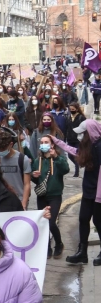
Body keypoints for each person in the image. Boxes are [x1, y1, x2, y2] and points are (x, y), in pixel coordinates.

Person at [52, 122, 101, 265]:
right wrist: (58, 142)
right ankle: (82, 253)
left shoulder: (99, 147)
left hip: (98, 193)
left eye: (82, 133)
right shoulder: (89, 145)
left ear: (91, 132)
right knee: (83, 219)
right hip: (88, 190)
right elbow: (76, 152)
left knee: (98, 221)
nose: (80, 136)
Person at [31, 136, 70, 258]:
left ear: (52, 145)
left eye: (46, 142)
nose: (43, 145)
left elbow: (65, 170)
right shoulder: (38, 161)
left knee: (51, 222)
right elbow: (35, 180)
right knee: (43, 222)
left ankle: (59, 244)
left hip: (55, 195)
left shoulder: (59, 158)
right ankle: (46, 247)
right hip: (42, 196)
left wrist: (56, 157)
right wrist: (34, 176)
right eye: (42, 142)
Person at [0, 130, 32, 209]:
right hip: (1, 199)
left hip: (19, 199)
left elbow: (27, 184)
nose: (1, 151)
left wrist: (24, 203)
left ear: (11, 144)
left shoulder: (22, 159)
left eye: (3, 148)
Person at [65, 102, 86, 177]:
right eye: (70, 109)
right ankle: (78, 164)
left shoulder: (81, 117)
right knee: (70, 155)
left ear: (77, 109)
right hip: (70, 139)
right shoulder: (68, 117)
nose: (71, 110)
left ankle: (76, 171)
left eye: (73, 109)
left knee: (76, 154)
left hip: (78, 139)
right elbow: (66, 128)